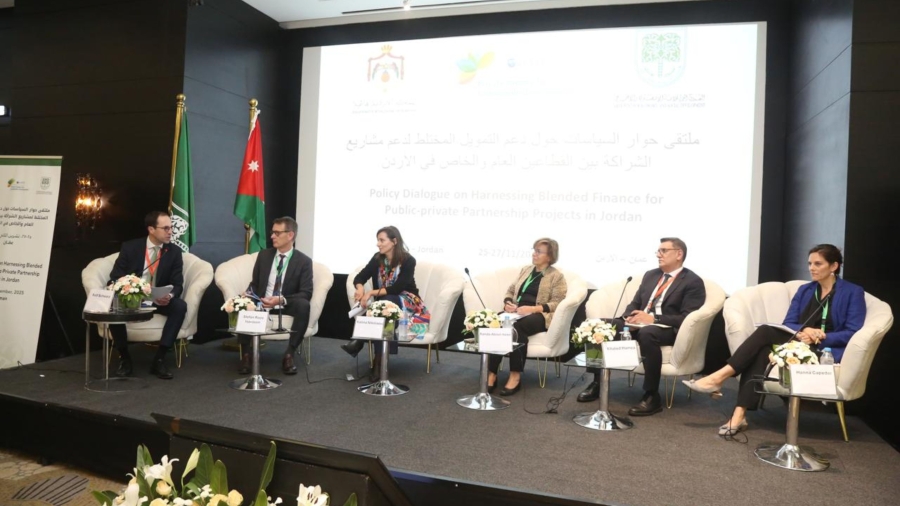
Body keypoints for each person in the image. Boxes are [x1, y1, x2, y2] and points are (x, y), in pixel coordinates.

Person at [684, 244, 866, 436]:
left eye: (818, 264)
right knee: (763, 345)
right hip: (799, 341)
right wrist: (804, 330)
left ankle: (721, 382)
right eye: (809, 263)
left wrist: (823, 336)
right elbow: (789, 322)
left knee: (764, 337)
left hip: (825, 349)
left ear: (834, 266)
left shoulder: (852, 292)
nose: (811, 268)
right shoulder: (805, 290)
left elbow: (853, 331)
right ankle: (737, 412)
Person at [577, 237, 706, 416]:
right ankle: (597, 381)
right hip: (637, 324)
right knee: (597, 325)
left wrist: (652, 319)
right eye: (658, 251)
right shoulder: (651, 275)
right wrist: (629, 317)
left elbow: (686, 317)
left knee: (647, 333)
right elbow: (635, 303)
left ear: (679, 254)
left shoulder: (692, 282)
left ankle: (651, 395)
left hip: (665, 328)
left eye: (663, 251)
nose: (658, 255)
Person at [108, 211, 187, 380]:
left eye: (171, 228)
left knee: (180, 306)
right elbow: (115, 277)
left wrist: (169, 296)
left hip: (158, 299)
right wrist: (130, 287)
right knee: (113, 304)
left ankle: (160, 358)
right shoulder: (130, 247)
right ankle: (124, 358)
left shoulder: (173, 251)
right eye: (165, 228)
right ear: (151, 229)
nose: (170, 232)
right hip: (134, 298)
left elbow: (178, 284)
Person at [487, 238, 567, 396]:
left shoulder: (556, 276)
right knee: (495, 323)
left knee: (517, 328)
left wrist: (533, 308)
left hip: (539, 314)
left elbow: (557, 302)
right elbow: (510, 291)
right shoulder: (526, 270)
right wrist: (508, 303)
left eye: (539, 252)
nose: (534, 254)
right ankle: (492, 373)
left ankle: (515, 376)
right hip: (516, 311)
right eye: (534, 250)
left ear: (550, 256)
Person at [341, 226, 430, 362]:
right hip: (385, 303)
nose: (378, 244)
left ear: (394, 241)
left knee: (385, 304)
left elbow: (397, 288)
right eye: (378, 240)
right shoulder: (377, 258)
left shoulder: (408, 260)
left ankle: (364, 346)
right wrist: (360, 289)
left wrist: (370, 293)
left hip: (407, 301)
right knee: (384, 308)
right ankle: (381, 358)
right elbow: (360, 277)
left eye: (382, 240)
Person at [238, 216, 313, 375]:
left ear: (290, 235)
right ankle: (246, 355)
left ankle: (289, 354)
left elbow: (306, 292)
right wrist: (248, 294)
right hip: (262, 301)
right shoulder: (264, 256)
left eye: (277, 233)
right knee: (244, 303)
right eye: (272, 232)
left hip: (285, 303)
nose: (272, 236)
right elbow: (255, 284)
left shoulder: (304, 261)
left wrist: (281, 299)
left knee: (304, 305)